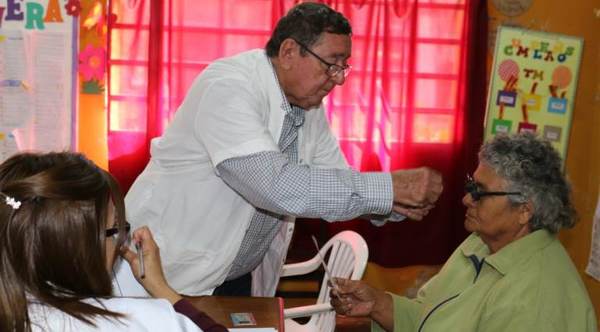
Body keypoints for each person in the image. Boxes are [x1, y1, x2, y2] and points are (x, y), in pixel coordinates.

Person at [119, 2, 443, 298]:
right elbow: (277, 187)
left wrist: (393, 203)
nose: (339, 79)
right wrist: (388, 188)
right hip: (169, 267)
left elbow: (336, 181)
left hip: (231, 274)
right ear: (289, 52)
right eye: (331, 64)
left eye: (344, 66)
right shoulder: (229, 88)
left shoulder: (307, 107)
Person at [330, 132, 598, 332]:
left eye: (480, 193)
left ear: (525, 210)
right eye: (472, 187)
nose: (467, 200)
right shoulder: (482, 243)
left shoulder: (536, 300)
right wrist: (376, 304)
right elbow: (428, 319)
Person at [0, 152, 227, 332]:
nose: (120, 242)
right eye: (115, 228)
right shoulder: (141, 322)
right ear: (77, 247)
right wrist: (162, 289)